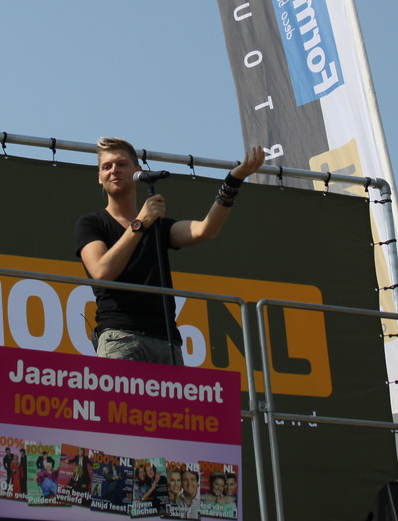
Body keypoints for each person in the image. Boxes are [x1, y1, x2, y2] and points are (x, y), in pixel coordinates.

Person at [75, 137, 265, 363]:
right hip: (120, 337)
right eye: (106, 166)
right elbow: (101, 272)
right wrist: (140, 224)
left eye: (121, 164)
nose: (114, 170)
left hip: (167, 342)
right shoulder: (91, 223)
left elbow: (205, 230)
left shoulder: (158, 226)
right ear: (99, 177)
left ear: (138, 171)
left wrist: (233, 181)